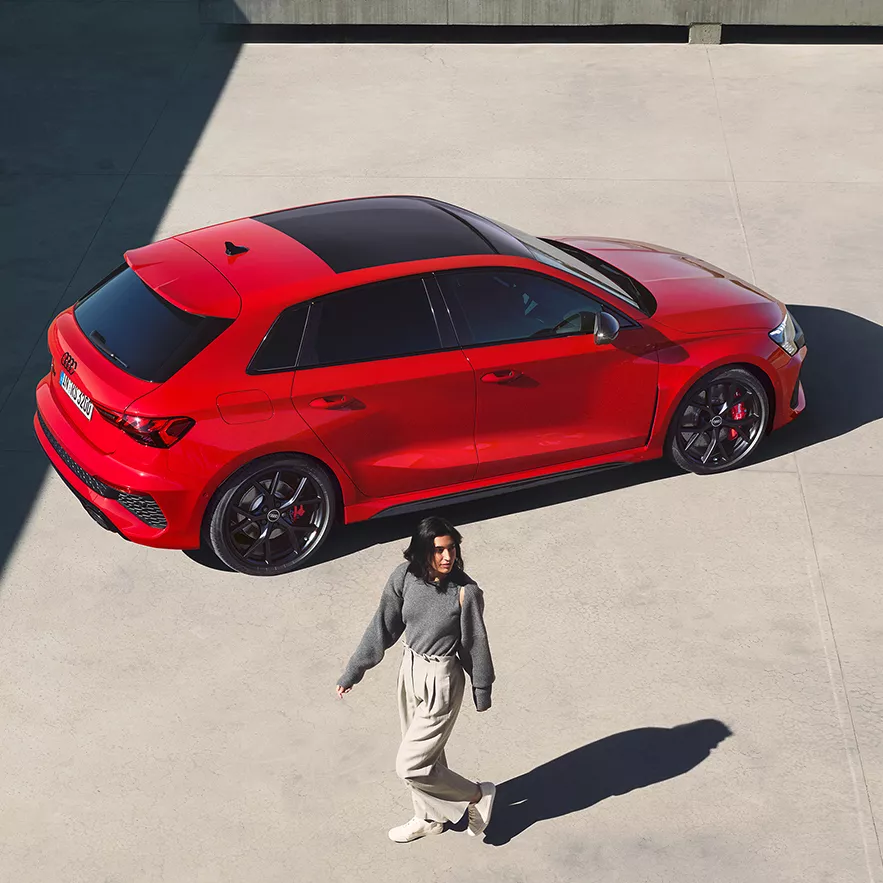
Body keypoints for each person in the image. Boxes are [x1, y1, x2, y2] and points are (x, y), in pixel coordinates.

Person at [336, 516, 496, 843]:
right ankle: (428, 818)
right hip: (409, 668)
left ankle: (478, 794)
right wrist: (354, 670)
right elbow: (383, 626)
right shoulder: (405, 577)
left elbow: (475, 643)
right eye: (439, 550)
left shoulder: (465, 593)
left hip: (441, 679)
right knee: (428, 756)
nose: (447, 557)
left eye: (452, 549)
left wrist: (482, 688)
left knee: (411, 764)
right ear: (423, 552)